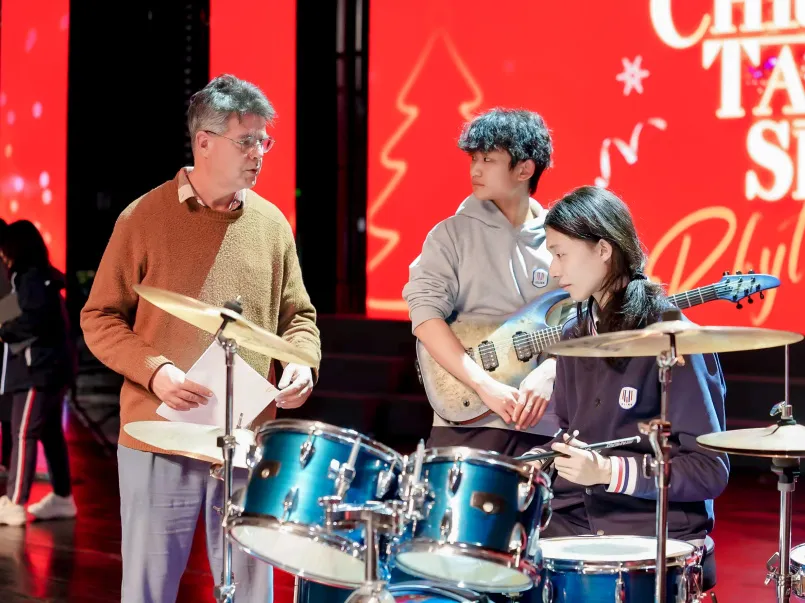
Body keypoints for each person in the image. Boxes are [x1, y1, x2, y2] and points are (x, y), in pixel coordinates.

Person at [80, 74, 322, 603]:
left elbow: (299, 316)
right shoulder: (143, 218)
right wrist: (156, 371)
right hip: (159, 435)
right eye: (246, 141)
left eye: (264, 141)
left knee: (252, 591)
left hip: (247, 440)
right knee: (148, 590)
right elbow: (99, 317)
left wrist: (302, 362)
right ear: (204, 142)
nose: (258, 154)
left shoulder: (272, 224)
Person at [528, 185, 728, 562]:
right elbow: (572, 434)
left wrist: (607, 471)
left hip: (650, 533)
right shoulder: (574, 335)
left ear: (603, 250)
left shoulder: (673, 338)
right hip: (574, 524)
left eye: (560, 254)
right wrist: (540, 460)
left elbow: (709, 470)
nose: (554, 270)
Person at [402, 107, 560, 455]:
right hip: (467, 418)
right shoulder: (450, 235)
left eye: (488, 159)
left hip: (546, 423)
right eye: (474, 159)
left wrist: (552, 370)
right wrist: (485, 386)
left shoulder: (563, 239)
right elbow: (425, 318)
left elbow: (585, 324)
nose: (475, 170)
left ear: (524, 169)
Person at [0, 220, 76, 525]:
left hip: (37, 370)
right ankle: (62, 497)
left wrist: (5, 331)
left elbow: (32, 320)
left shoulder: (29, 277)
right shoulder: (39, 277)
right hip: (53, 368)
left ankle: (15, 501)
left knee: (23, 433)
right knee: (49, 432)